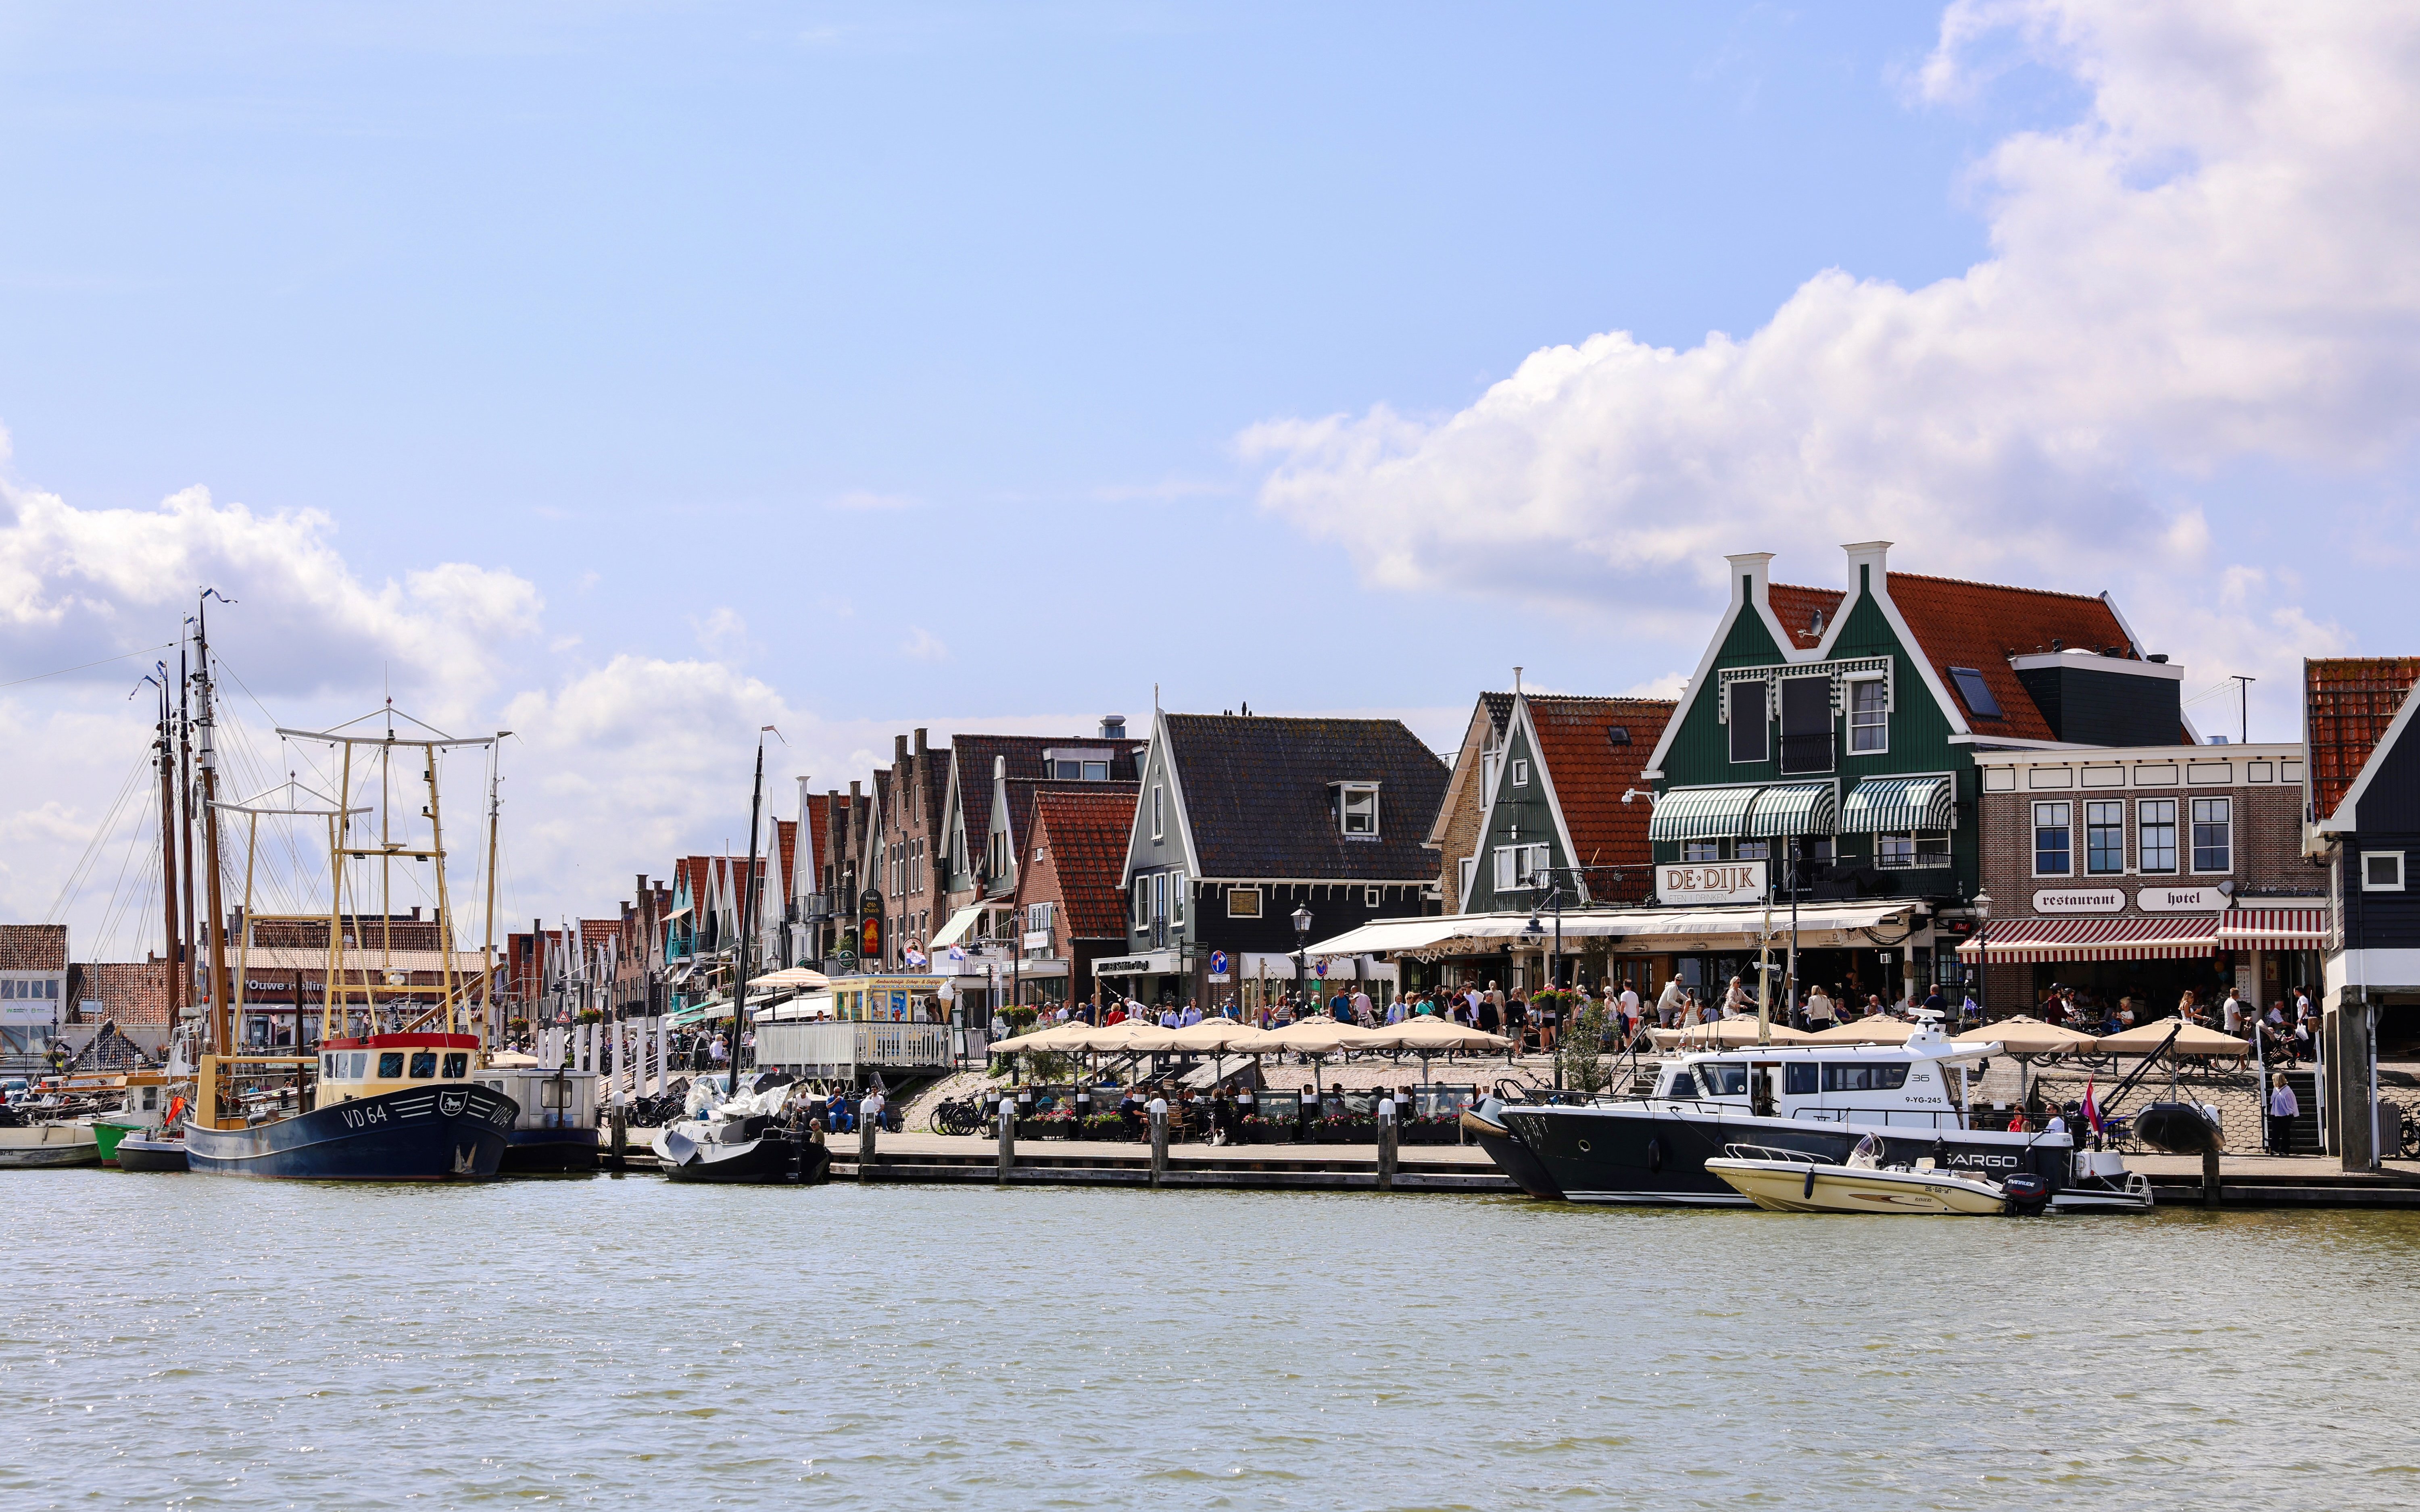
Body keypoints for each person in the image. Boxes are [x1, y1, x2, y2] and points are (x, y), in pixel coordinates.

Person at [2267, 1072, 2299, 1155]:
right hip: (2276, 1114)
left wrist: (2291, 1112)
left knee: (2285, 1132)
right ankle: (2274, 1149)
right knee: (2275, 1132)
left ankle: (2285, 1150)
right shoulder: (2276, 1089)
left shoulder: (2288, 1091)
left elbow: (2292, 1103)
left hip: (2286, 1115)